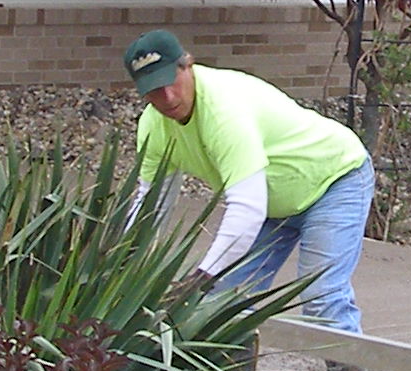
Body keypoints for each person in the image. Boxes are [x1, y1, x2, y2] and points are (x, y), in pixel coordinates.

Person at [123, 30, 375, 333]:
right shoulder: (153, 127)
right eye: (153, 90)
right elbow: (152, 203)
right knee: (223, 302)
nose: (167, 98)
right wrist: (121, 263)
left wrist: (202, 276)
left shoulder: (223, 110)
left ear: (187, 65)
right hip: (273, 202)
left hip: (333, 179)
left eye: (169, 82)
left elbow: (247, 208)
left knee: (321, 297)